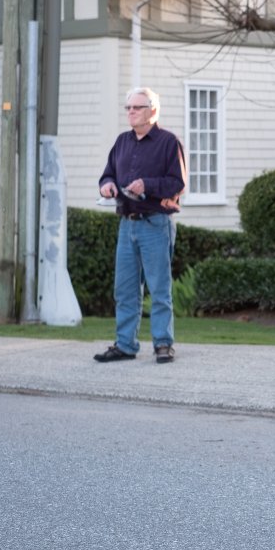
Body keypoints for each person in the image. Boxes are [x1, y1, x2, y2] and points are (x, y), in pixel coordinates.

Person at [94, 87, 187, 365]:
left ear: (152, 111)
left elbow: (177, 184)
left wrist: (148, 185)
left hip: (155, 223)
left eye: (137, 107)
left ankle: (163, 344)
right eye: (128, 108)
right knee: (124, 290)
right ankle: (125, 345)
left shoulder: (169, 143)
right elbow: (107, 174)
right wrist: (107, 185)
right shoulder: (122, 142)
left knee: (159, 289)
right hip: (127, 224)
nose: (131, 112)